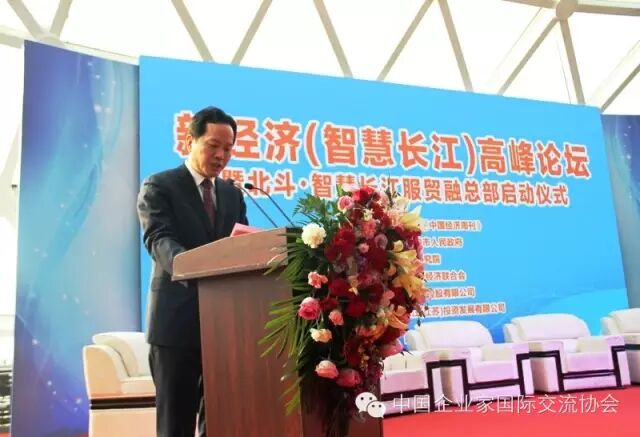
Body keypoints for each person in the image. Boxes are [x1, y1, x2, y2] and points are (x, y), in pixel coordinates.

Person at [137, 106, 248, 437]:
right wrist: (194, 267)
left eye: (228, 148)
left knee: (221, 421)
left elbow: (242, 245)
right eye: (213, 145)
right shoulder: (160, 185)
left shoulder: (232, 194)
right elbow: (158, 238)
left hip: (224, 326)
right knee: (176, 425)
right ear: (190, 141)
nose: (221, 155)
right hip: (176, 324)